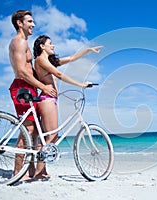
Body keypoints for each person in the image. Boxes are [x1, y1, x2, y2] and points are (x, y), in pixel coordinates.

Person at [33, 35, 103, 179]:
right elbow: (58, 74)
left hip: (50, 99)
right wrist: (80, 84)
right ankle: (39, 173)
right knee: (52, 135)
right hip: (47, 99)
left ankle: (42, 171)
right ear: (42, 46)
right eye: (50, 44)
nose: (53, 46)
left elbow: (71, 58)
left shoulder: (49, 61)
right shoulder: (40, 60)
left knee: (47, 137)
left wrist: (88, 50)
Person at [9, 10, 57, 180]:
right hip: (22, 87)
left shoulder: (25, 43)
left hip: (31, 88)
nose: (33, 25)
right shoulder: (18, 42)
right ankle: (17, 172)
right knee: (27, 130)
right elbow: (21, 71)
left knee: (35, 131)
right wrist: (43, 85)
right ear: (19, 23)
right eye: (29, 21)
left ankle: (31, 171)